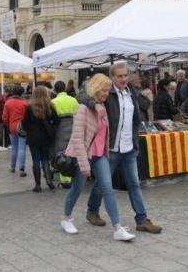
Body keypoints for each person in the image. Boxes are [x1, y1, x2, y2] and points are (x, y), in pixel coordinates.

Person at [78, 64, 162, 234]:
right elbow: (81, 96)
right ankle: (92, 210)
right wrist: (95, 104)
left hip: (129, 147)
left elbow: (136, 118)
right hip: (111, 148)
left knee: (134, 184)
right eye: (119, 76)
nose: (124, 79)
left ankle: (142, 219)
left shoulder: (132, 91)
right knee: (103, 183)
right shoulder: (107, 92)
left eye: (125, 75)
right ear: (112, 78)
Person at [61, 74, 135, 241]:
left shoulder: (102, 107)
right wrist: (84, 164)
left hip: (100, 155)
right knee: (77, 188)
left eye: (108, 90)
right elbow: (78, 139)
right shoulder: (82, 109)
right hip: (84, 155)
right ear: (95, 88)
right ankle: (66, 217)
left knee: (107, 189)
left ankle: (117, 227)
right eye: (104, 90)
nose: (106, 93)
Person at [21, 86, 60, 192]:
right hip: (45, 136)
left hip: (33, 136)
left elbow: (24, 124)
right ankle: (48, 180)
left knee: (35, 160)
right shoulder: (49, 106)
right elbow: (57, 120)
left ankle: (38, 185)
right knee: (45, 159)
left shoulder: (30, 107)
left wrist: (30, 128)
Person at [51, 81, 79, 188]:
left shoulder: (53, 102)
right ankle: (74, 176)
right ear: (65, 88)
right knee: (72, 152)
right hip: (73, 127)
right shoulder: (74, 100)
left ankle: (65, 180)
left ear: (55, 90)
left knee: (61, 153)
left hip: (60, 129)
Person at [2, 86, 29, 177]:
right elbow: (27, 117)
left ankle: (12, 166)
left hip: (12, 127)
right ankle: (21, 168)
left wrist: (8, 124)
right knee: (22, 147)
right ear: (21, 93)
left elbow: (5, 117)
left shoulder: (8, 103)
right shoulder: (25, 103)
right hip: (22, 127)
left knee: (14, 148)